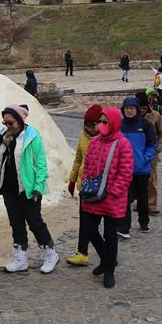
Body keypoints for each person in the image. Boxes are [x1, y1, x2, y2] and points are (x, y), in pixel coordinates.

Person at [0, 104, 58, 274]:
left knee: (35, 222)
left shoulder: (32, 136)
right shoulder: (3, 135)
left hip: (28, 188)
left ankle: (50, 254)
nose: (8, 126)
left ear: (20, 121)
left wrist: (38, 188)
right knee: (16, 223)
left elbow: (41, 164)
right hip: (8, 187)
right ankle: (20, 258)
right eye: (5, 122)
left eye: (11, 123)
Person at [79, 107, 134, 288]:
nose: (101, 124)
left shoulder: (123, 144)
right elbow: (87, 165)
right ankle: (107, 259)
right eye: (100, 121)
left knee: (110, 235)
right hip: (93, 195)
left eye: (105, 121)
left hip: (111, 198)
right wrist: (85, 181)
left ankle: (109, 270)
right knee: (88, 228)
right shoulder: (94, 142)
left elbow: (125, 172)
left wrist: (113, 191)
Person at [65, 104, 104, 267]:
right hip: (85, 186)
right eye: (86, 124)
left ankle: (107, 254)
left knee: (94, 225)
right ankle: (82, 253)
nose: (88, 128)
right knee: (85, 222)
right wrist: (72, 180)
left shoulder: (106, 137)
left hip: (101, 187)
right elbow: (78, 159)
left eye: (91, 124)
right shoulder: (83, 136)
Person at [117, 98, 157, 239]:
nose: (129, 111)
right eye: (127, 108)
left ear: (137, 109)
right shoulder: (120, 125)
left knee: (142, 199)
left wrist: (145, 159)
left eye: (132, 108)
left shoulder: (145, 125)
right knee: (124, 200)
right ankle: (124, 228)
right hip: (124, 170)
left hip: (141, 170)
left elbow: (152, 145)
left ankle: (144, 222)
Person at [135, 91, 162, 215]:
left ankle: (151, 204)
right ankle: (140, 202)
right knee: (137, 179)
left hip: (151, 152)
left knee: (151, 179)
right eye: (140, 108)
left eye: (144, 107)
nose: (142, 110)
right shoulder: (132, 117)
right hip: (137, 153)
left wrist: (158, 148)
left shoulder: (156, 116)